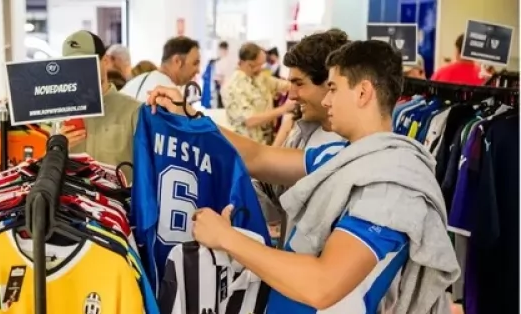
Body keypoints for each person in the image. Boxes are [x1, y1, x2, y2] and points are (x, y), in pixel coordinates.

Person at [146, 40, 460, 313]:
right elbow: (259, 156)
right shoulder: (344, 158)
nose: (326, 100)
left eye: (334, 89)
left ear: (363, 92)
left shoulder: (390, 187)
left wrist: (227, 239)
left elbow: (322, 284)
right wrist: (188, 114)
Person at [259, 29, 347, 229]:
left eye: (299, 84)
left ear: (331, 82)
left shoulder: (352, 147)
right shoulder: (302, 131)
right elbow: (276, 192)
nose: (291, 95)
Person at [59, 30, 141, 182]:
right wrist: (57, 150)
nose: (79, 72)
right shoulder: (61, 114)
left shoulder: (134, 111)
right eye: (71, 66)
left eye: (86, 63)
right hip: (73, 204)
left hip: (119, 203)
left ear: (105, 62)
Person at [222, 42, 293, 144]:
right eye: (258, 65)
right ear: (248, 64)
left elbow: (283, 85)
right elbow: (250, 120)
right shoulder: (234, 86)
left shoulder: (259, 78)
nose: (261, 68)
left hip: (266, 144)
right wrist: (284, 109)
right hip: (247, 147)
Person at [121, 36, 201, 102]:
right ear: (177, 61)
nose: (198, 70)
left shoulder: (136, 82)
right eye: (195, 63)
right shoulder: (168, 94)